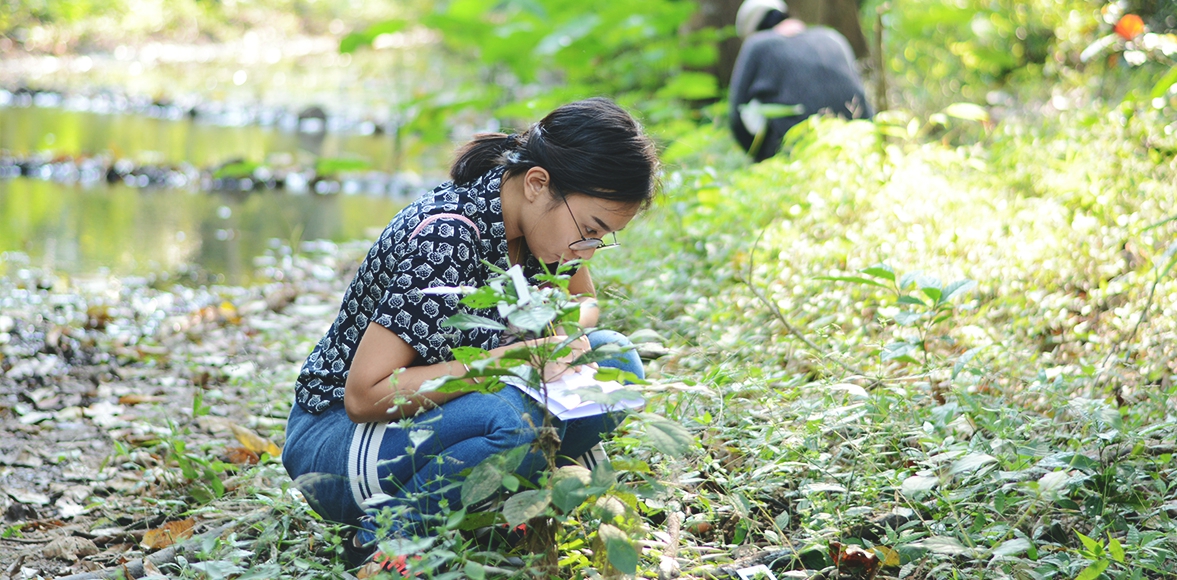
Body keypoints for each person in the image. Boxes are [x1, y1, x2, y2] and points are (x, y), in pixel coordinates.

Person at [281, 97, 659, 570]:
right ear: (538, 184)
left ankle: (498, 501)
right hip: (335, 439)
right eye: (589, 230)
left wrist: (562, 336)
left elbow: (584, 303)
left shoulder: (539, 228)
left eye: (600, 239)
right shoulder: (448, 237)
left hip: (428, 420)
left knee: (617, 360)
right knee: (511, 419)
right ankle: (386, 543)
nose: (587, 251)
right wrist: (509, 360)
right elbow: (364, 396)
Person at [730, 0, 874, 161]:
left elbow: (737, 116)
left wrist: (761, 157)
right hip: (858, 145)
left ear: (752, 30)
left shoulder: (756, 45)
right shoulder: (832, 37)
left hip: (797, 154)